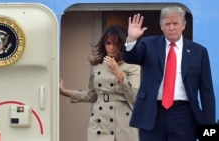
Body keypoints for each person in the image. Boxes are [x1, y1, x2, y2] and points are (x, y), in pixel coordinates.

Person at [123, 6, 215, 141]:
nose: (172, 28)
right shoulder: (149, 44)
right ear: (161, 26)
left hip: (184, 115)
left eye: (176, 23)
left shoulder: (199, 52)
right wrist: (131, 40)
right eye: (167, 24)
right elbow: (131, 58)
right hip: (152, 114)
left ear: (183, 25)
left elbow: (207, 92)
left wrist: (210, 131)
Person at [60, 25, 141, 141]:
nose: (112, 47)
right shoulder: (97, 65)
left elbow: (134, 97)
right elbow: (92, 96)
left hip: (124, 122)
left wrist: (119, 74)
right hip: (100, 122)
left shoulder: (133, 65)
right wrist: (64, 91)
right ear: (104, 44)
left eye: (116, 44)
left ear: (123, 44)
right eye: (108, 43)